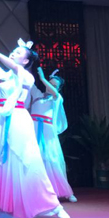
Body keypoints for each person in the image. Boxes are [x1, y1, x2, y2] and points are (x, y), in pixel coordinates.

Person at [0, 20, 69, 218]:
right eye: (13, 51)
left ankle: (53, 206)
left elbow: (11, 65)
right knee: (1, 162)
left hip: (18, 118)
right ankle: (10, 208)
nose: (14, 53)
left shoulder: (27, 77)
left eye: (18, 52)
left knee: (27, 160)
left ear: (26, 61)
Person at [30, 68, 76, 202]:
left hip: (47, 131)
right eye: (49, 84)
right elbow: (29, 83)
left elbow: (54, 93)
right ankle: (36, 191)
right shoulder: (37, 95)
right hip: (33, 129)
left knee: (52, 160)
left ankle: (64, 191)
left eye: (54, 86)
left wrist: (42, 78)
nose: (50, 87)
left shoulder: (57, 98)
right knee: (34, 160)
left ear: (58, 89)